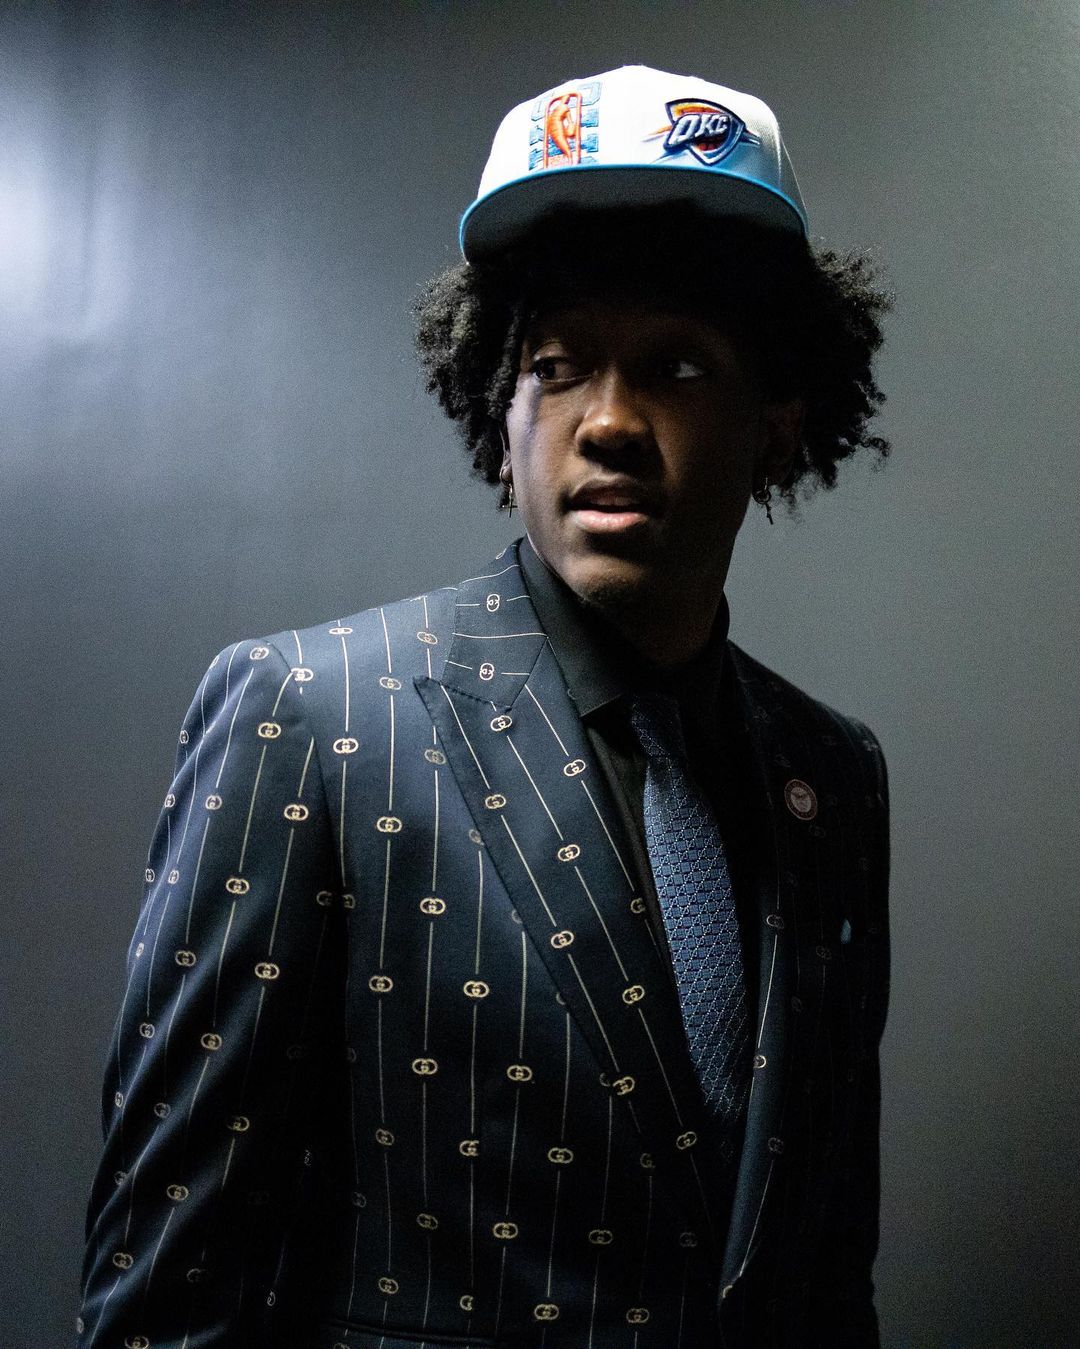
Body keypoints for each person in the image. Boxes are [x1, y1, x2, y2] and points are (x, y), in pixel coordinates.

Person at [78, 64, 892, 1348]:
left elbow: (825, 1261)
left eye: (677, 365)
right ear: (497, 417)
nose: (607, 421)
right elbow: (167, 1287)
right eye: (557, 366)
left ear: (778, 423)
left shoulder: (831, 774)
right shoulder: (312, 719)